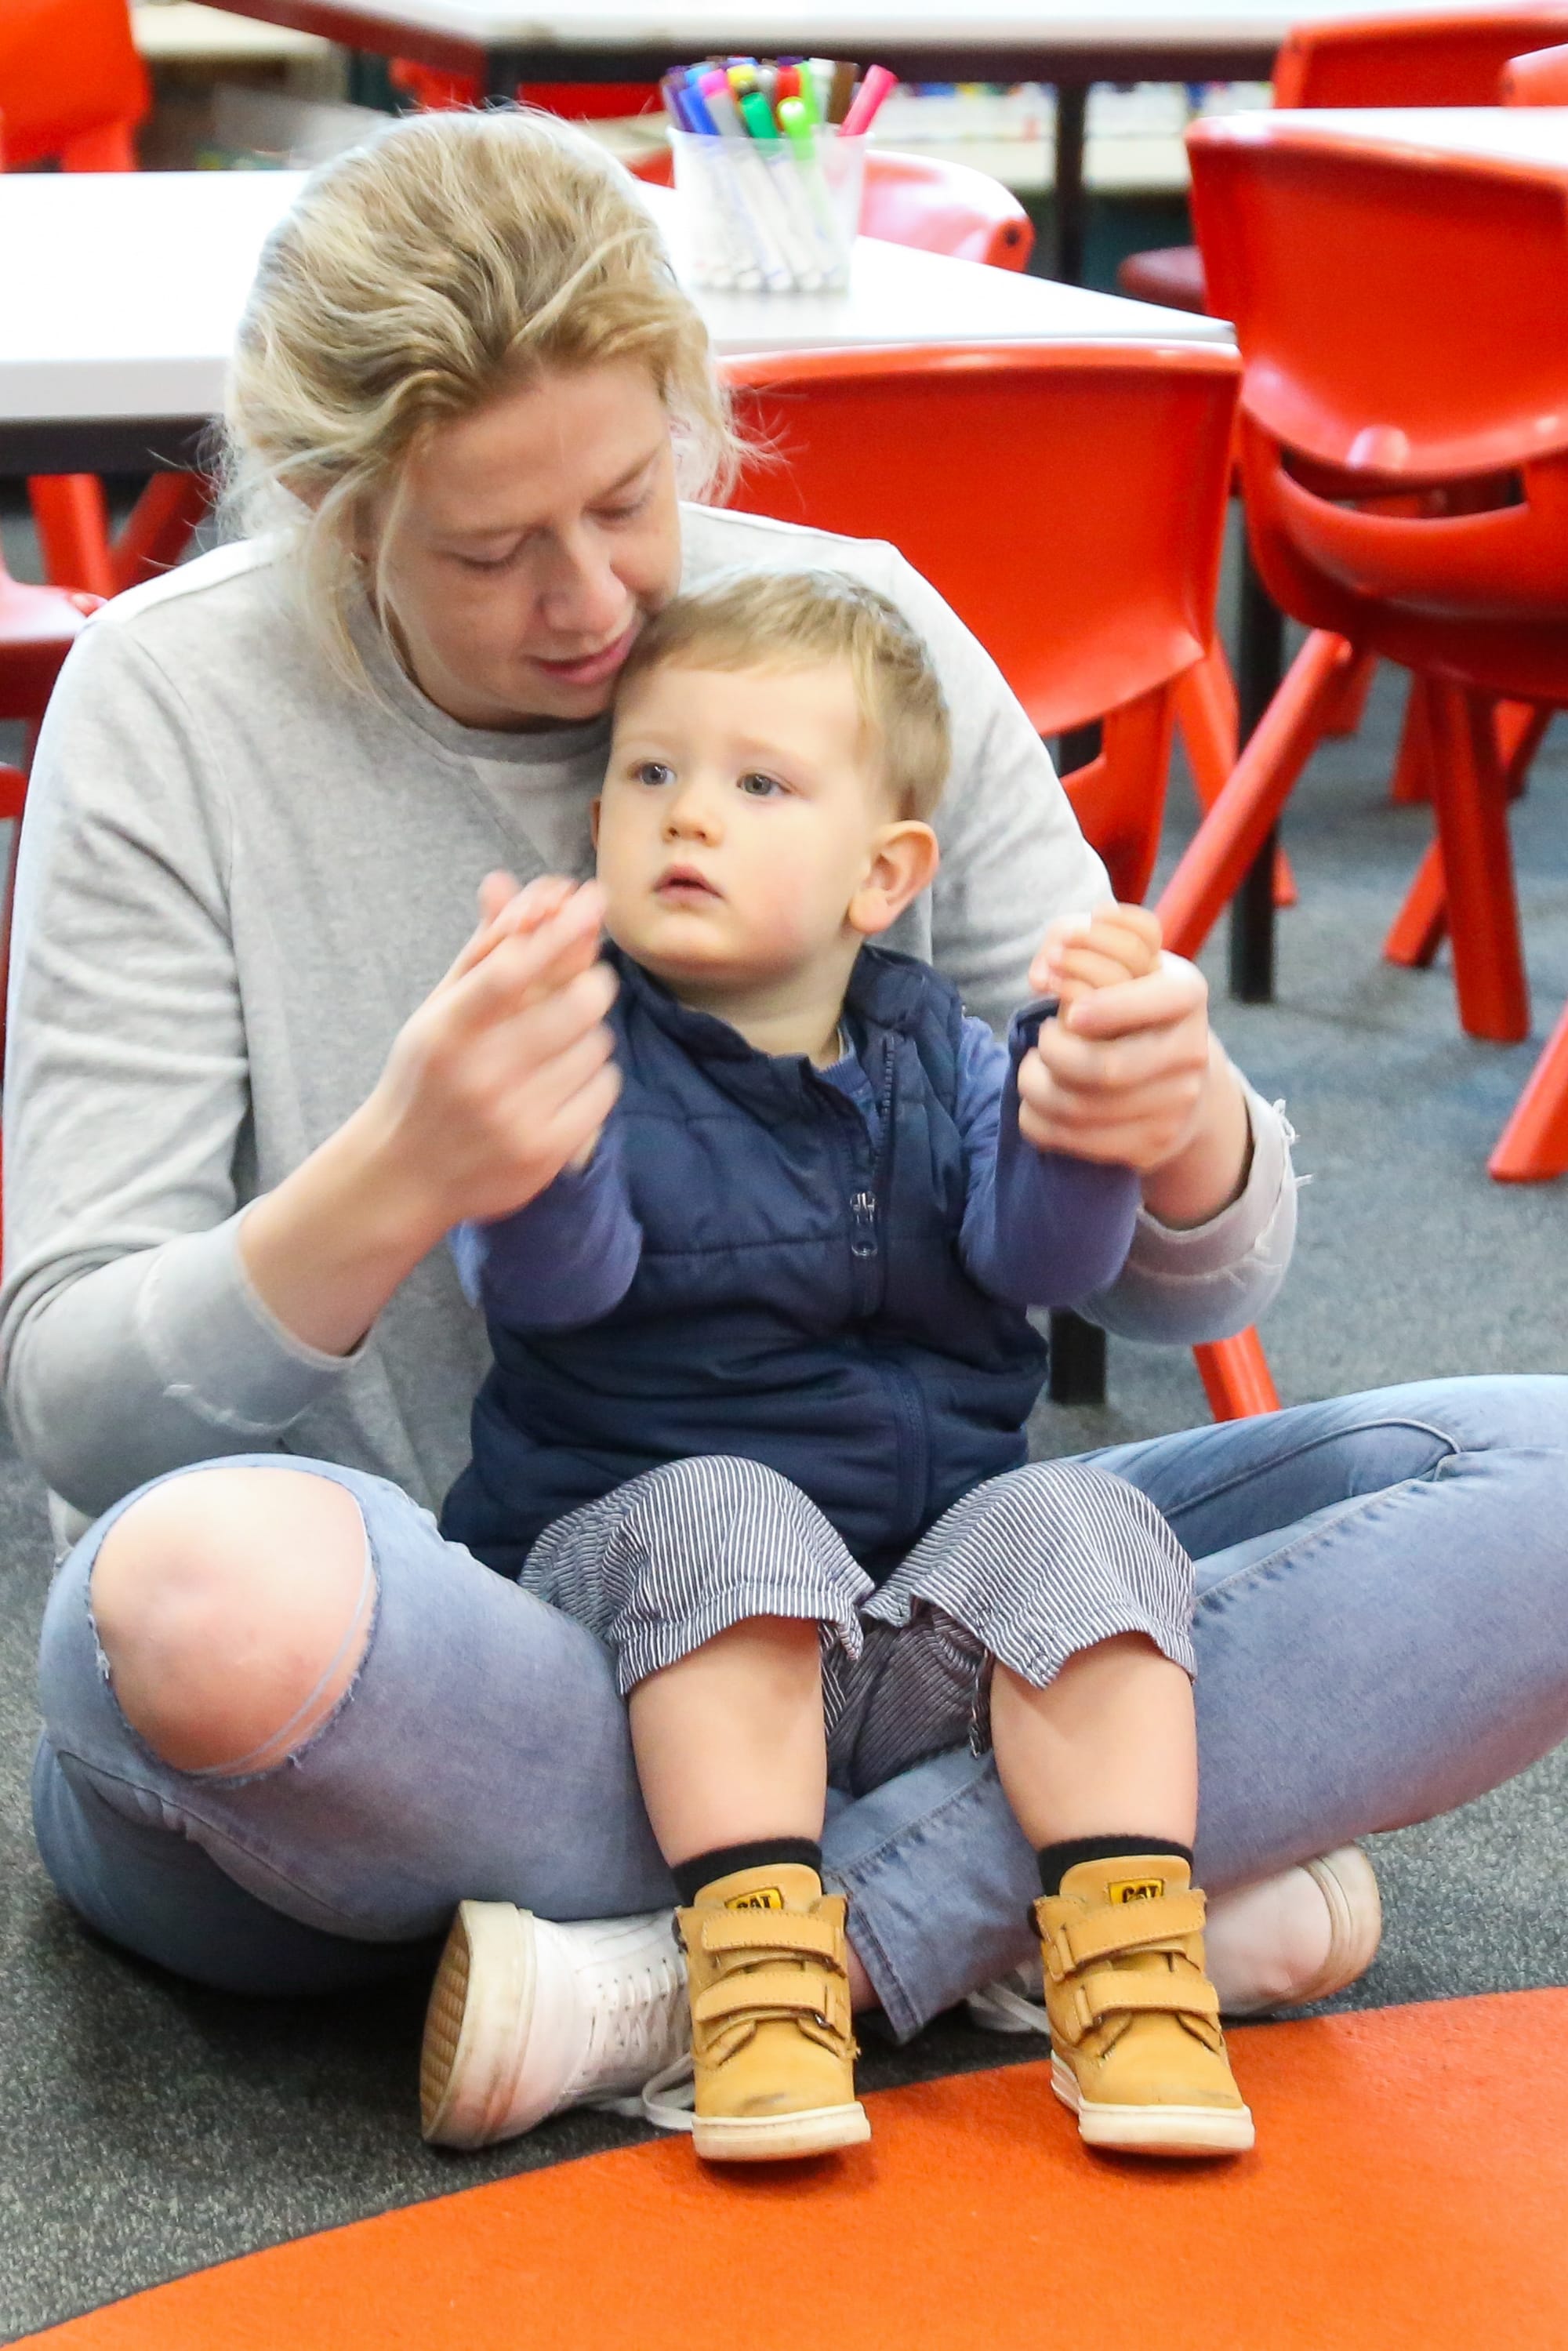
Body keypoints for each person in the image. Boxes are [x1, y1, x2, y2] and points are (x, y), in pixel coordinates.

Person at [7, 107, 1566, 2157]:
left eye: (632, 495)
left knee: (1536, 1482)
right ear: (328, 506)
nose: (594, 605)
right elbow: (82, 1406)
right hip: (446, 1681)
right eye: (492, 551)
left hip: (893, 1623)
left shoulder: (854, 639)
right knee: (203, 1608)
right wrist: (403, 1168)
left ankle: (728, 1968)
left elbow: (1182, 1271)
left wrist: (1175, 1126)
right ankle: (1025, 1906)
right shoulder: (169, 701)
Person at [434, 567, 1254, 2165]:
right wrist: (516, 1135)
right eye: (650, 775)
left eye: (757, 785)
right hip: (648, 1616)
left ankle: (1129, 1958)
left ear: (883, 875)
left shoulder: (933, 1048)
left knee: (1082, 1524)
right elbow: (557, 1280)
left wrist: (1078, 1109)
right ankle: (755, 1982)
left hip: (905, 1607)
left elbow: (1046, 1264)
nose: (688, 819)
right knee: (726, 1508)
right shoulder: (583, 1040)